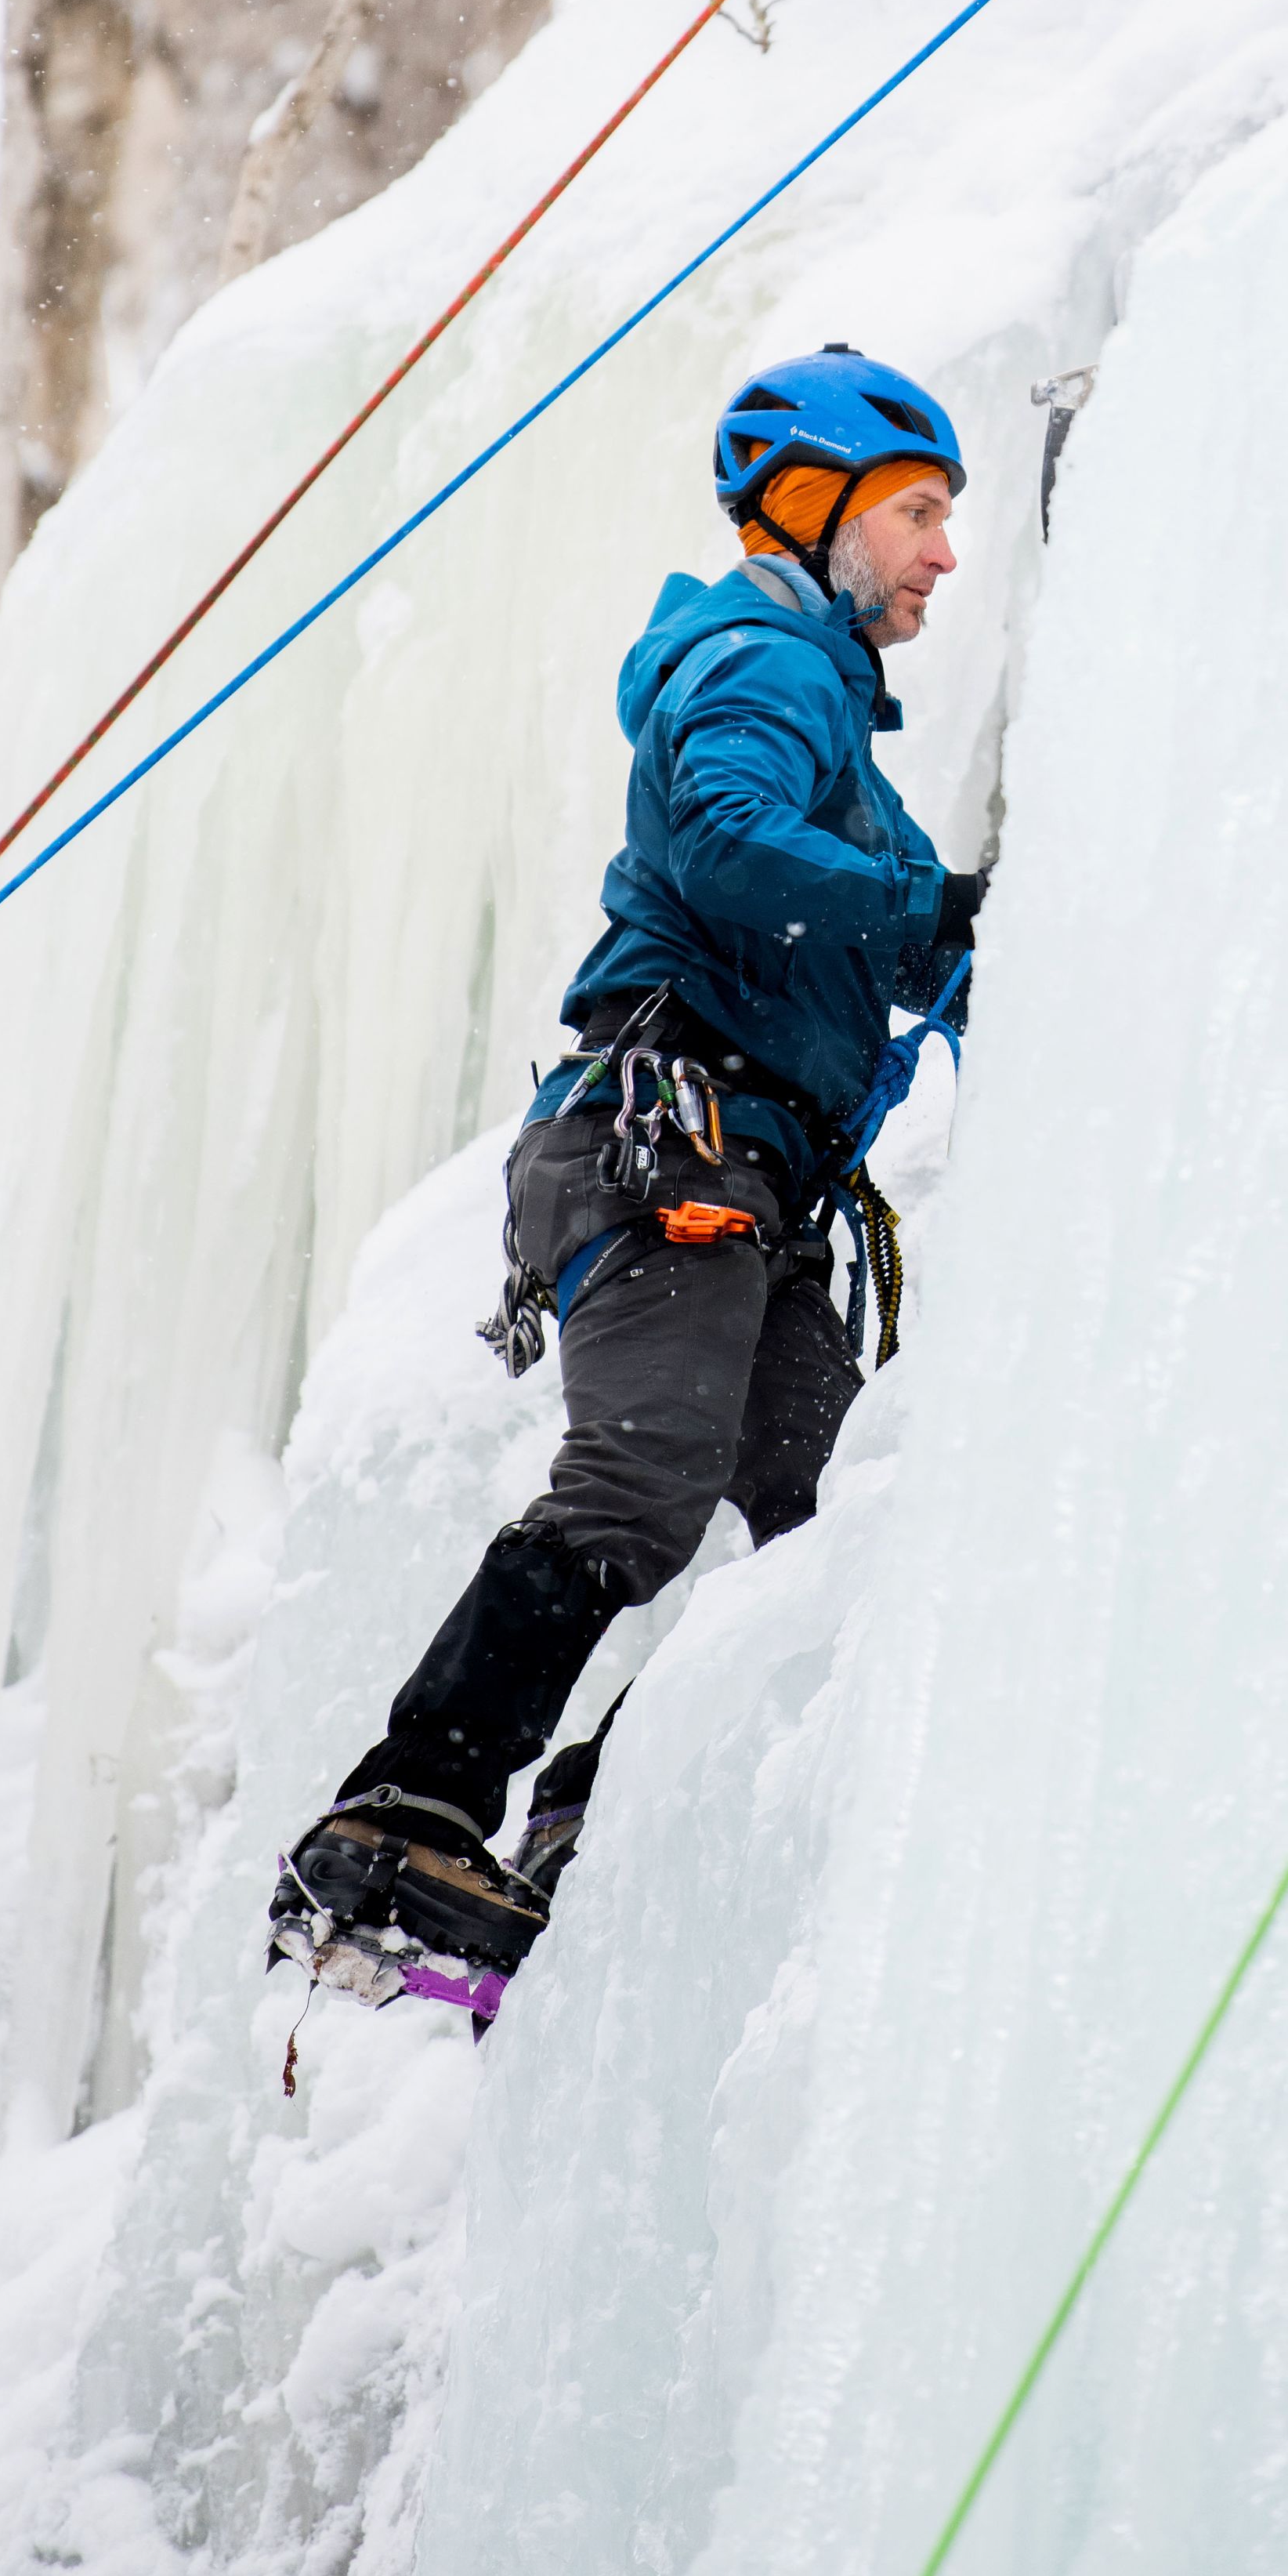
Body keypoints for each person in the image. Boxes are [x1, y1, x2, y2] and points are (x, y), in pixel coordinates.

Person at [271, 345, 986, 2001]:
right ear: (812, 509)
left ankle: (587, 1827)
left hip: (743, 1181)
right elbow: (725, 844)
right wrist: (936, 913)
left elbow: (858, 913)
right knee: (639, 1487)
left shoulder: (834, 744)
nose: (946, 555)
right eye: (920, 514)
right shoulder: (754, 661)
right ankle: (404, 1815)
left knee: (821, 1527)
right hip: (667, 1143)